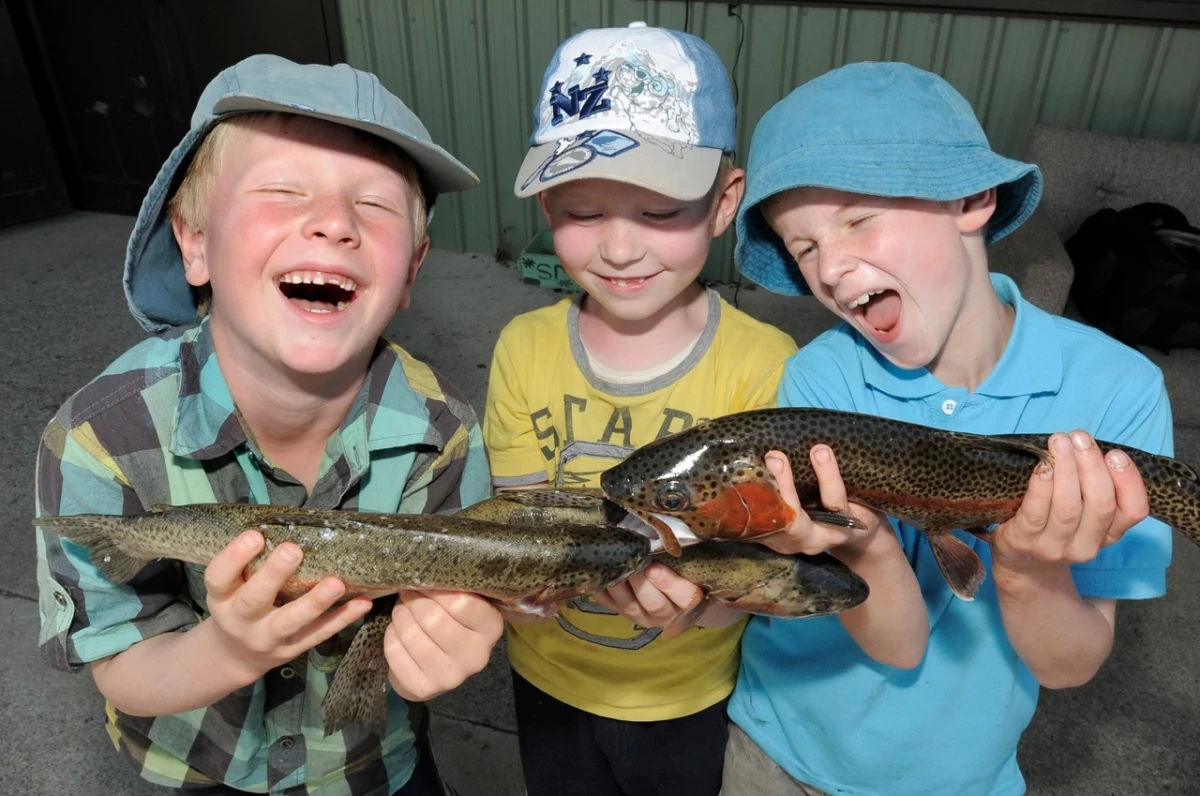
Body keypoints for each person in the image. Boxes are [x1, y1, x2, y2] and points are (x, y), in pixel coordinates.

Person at [33, 54, 500, 796]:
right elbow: (120, 662)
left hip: (368, 768)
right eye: (282, 190)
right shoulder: (100, 438)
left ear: (411, 271)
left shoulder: (445, 433)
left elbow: (450, 611)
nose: (334, 223)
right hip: (193, 766)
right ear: (193, 242)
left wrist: (448, 640)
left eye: (374, 204)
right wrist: (225, 650)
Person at [483, 22, 928, 796]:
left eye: (659, 213)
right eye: (583, 211)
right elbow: (522, 531)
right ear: (546, 201)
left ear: (726, 202)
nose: (620, 249)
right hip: (544, 679)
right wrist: (516, 594)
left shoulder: (767, 370)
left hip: (688, 699)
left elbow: (778, 567)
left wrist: (705, 601)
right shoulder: (521, 349)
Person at [723, 60, 1174, 796]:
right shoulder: (818, 386)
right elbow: (897, 647)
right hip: (779, 754)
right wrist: (865, 541)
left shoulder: (1119, 393)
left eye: (859, 218)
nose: (831, 268)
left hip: (963, 778)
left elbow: (1070, 668)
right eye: (803, 249)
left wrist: (1028, 571)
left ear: (971, 198)